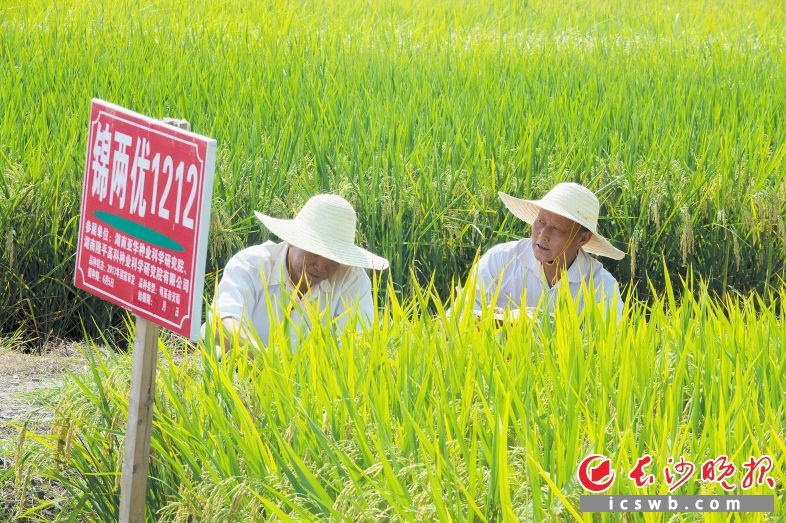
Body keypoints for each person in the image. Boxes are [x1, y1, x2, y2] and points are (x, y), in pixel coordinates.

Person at [207, 194, 389, 354]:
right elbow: (222, 323)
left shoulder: (352, 279)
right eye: (315, 252)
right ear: (292, 240)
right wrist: (270, 363)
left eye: (333, 259)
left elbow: (356, 348)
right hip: (238, 373)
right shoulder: (251, 265)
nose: (321, 266)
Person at [468, 182, 625, 320]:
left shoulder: (601, 287)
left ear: (583, 239)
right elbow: (459, 317)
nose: (543, 235)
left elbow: (609, 345)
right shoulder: (500, 260)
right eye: (540, 222)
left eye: (556, 229)